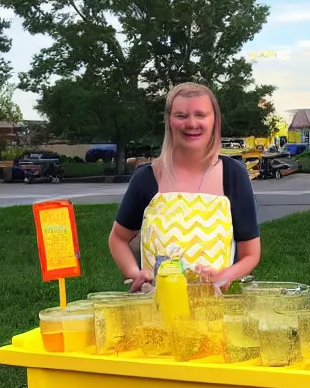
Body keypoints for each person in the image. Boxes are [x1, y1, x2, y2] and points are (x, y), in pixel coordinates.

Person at [109, 82, 261, 292]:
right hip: (155, 311)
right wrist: (136, 275)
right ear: (169, 121)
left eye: (201, 114)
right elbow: (117, 238)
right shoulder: (147, 177)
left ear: (214, 120)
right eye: (181, 115)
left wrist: (224, 276)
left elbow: (250, 253)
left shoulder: (233, 175)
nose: (192, 123)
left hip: (213, 313)